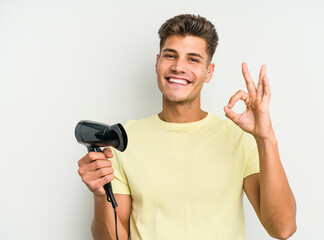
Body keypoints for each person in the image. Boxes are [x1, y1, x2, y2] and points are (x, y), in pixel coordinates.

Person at [77, 14, 297, 240]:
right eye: (170, 56)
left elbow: (282, 228)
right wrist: (100, 195)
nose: (178, 67)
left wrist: (266, 138)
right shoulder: (122, 140)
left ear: (209, 72)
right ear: (157, 63)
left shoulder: (238, 138)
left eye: (193, 59)